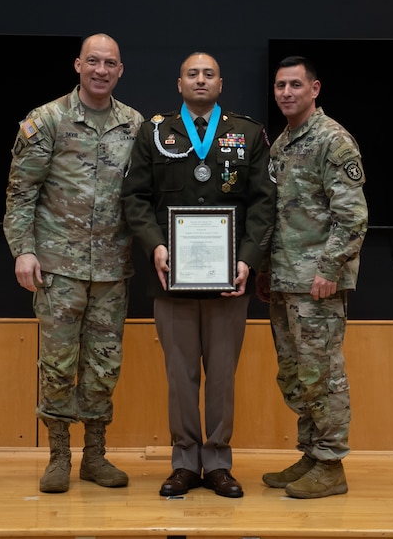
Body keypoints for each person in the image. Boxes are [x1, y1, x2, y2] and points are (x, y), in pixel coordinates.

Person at [121, 52, 276, 499]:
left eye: (209, 74)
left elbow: (263, 203)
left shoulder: (247, 134)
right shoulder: (155, 132)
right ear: (179, 83)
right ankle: (185, 461)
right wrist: (156, 245)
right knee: (180, 375)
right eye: (193, 74)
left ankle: (219, 462)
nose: (201, 80)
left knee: (223, 375)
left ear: (221, 83)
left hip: (232, 279)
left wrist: (246, 258)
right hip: (174, 277)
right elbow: (135, 198)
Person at [2, 33, 144, 494]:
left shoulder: (135, 125)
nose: (101, 70)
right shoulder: (47, 120)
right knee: (58, 364)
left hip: (110, 270)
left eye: (111, 63)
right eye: (94, 61)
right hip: (58, 266)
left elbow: (143, 195)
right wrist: (23, 249)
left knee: (104, 365)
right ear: (77, 65)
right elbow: (21, 192)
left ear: (120, 71)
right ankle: (59, 455)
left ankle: (95, 456)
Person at [256, 55, 368, 499]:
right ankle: (311, 454)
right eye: (280, 86)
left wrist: (328, 270)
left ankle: (331, 465)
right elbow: (279, 217)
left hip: (317, 285)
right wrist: (266, 271)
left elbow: (353, 218)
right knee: (296, 375)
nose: (286, 93)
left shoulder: (332, 140)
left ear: (315, 89)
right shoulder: (282, 143)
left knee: (322, 374)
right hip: (286, 282)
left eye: (295, 85)